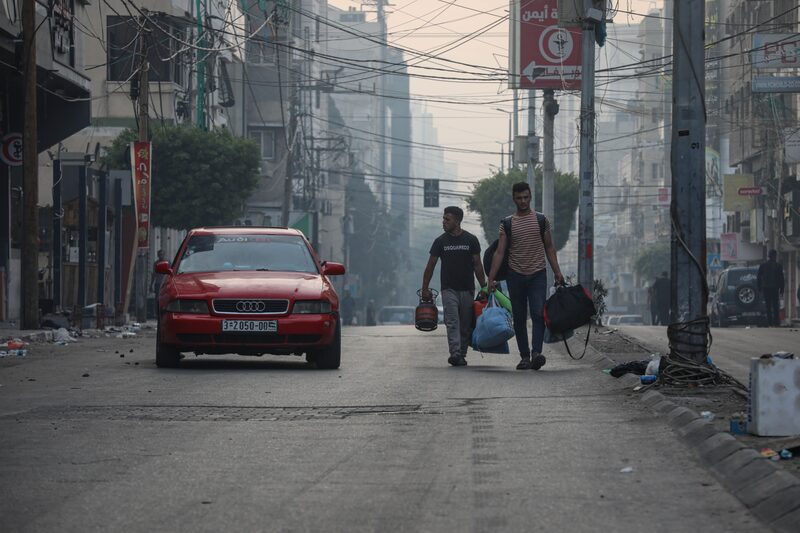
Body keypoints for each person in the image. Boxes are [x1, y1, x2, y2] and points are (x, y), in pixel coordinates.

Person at [487, 182, 564, 371]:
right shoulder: (507, 223)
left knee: (538, 314)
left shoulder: (541, 220)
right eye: (519, 198)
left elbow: (549, 248)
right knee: (520, 318)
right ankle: (524, 357)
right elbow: (499, 252)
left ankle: (536, 353)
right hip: (515, 275)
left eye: (526, 197)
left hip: (538, 274)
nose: (523, 201)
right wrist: (491, 278)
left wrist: (557, 272)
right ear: (514, 199)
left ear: (530, 197)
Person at [421, 206, 487, 367]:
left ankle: (462, 355)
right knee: (452, 321)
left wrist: (484, 287)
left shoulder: (471, 240)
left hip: (467, 289)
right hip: (448, 289)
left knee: (465, 324)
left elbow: (477, 265)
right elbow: (430, 265)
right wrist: (424, 288)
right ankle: (455, 353)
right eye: (443, 219)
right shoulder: (440, 241)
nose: (443, 222)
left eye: (447, 219)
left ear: (457, 221)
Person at [757, 249, 784, 327]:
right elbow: (781, 278)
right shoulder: (778, 266)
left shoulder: (763, 265)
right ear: (774, 256)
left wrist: (759, 288)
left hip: (766, 288)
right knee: (775, 305)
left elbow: (758, 277)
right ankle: (776, 322)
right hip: (774, 288)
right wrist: (782, 289)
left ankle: (770, 323)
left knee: (768, 306)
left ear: (768, 256)